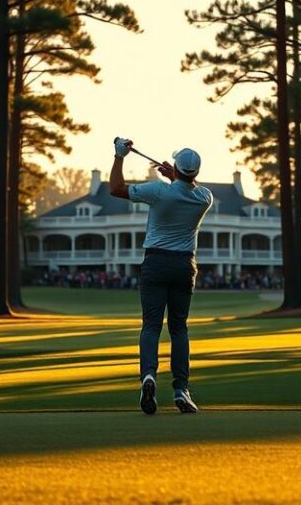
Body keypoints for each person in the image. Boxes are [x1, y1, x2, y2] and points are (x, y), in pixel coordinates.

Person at [110, 137, 213, 415]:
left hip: (155, 262)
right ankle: (181, 390)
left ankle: (148, 377)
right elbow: (185, 190)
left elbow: (116, 188)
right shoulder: (205, 197)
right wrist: (176, 177)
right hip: (184, 266)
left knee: (151, 326)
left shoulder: (157, 191)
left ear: (176, 169)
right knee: (179, 328)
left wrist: (120, 156)